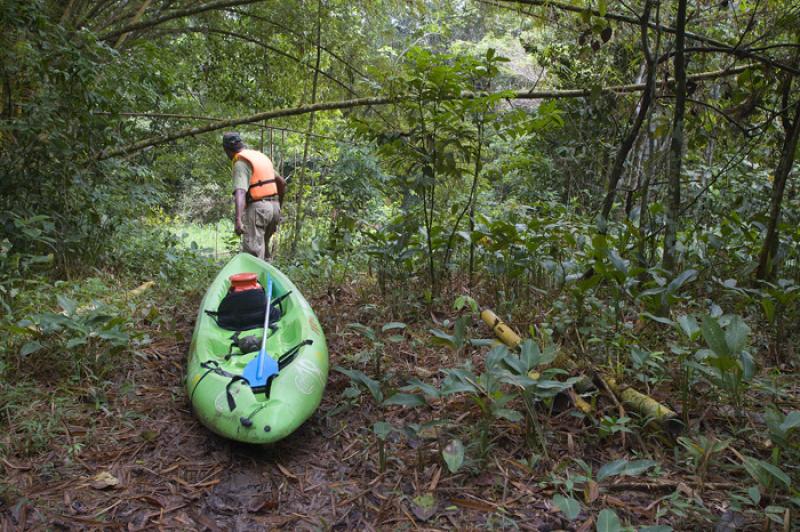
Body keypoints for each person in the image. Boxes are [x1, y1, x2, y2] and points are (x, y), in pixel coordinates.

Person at [222, 132, 286, 261]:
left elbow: (240, 191)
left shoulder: (241, 162)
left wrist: (238, 219)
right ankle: (267, 279)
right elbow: (282, 182)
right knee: (264, 252)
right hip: (273, 208)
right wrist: (279, 207)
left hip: (258, 210)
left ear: (227, 150)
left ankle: (254, 280)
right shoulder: (259, 157)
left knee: (253, 255)